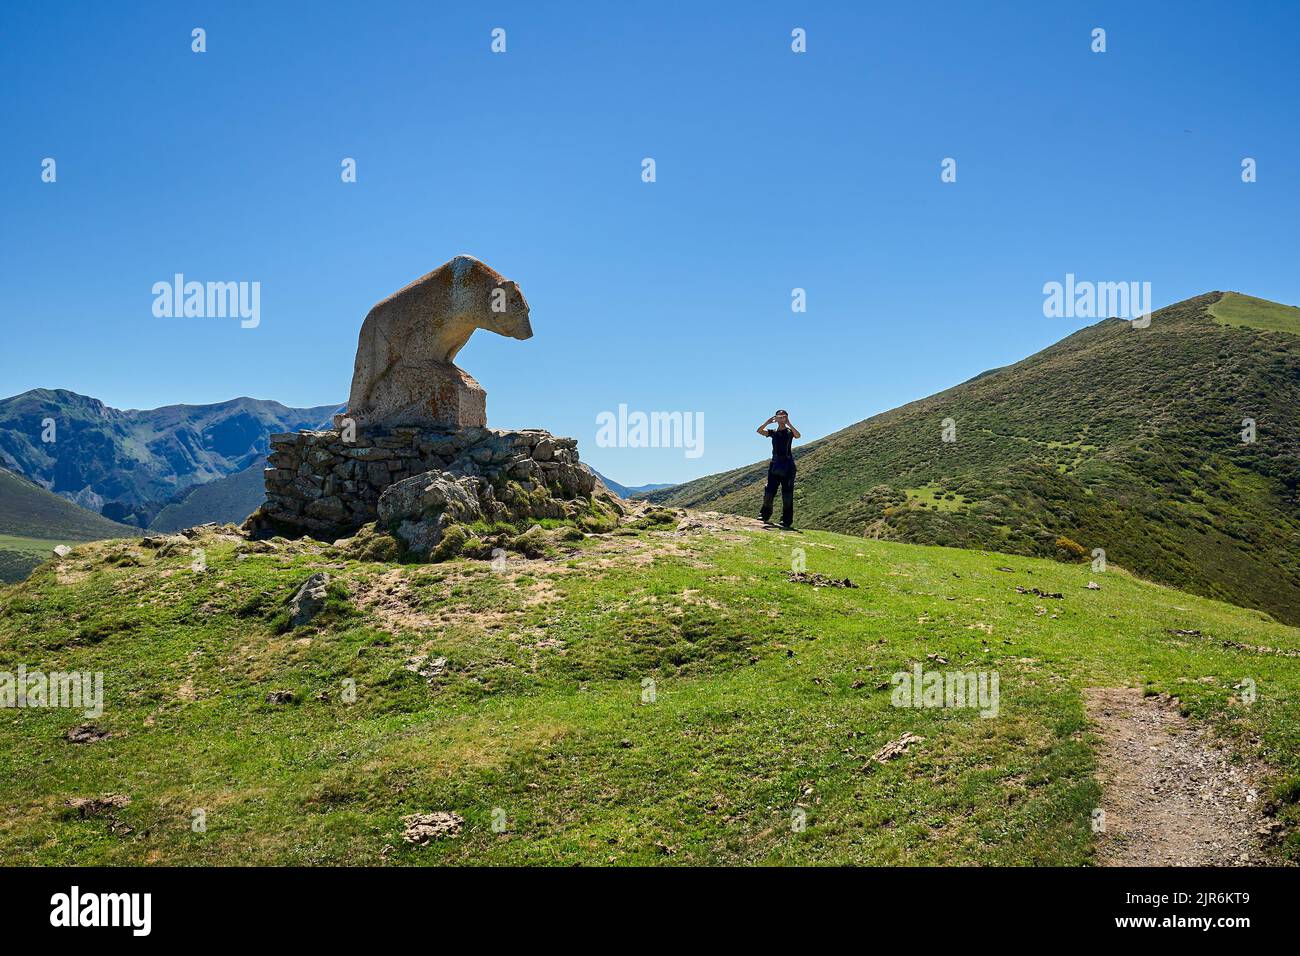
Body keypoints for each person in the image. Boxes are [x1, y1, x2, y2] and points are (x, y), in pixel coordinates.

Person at [756, 409, 800, 528]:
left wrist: (789, 424)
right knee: (769, 491)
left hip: (788, 465)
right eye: (779, 417)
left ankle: (786, 521)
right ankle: (764, 515)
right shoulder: (773, 432)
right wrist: (767, 422)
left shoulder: (789, 432)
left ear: (786, 418)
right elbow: (759, 431)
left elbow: (798, 436)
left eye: (783, 417)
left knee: (787, 494)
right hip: (775, 464)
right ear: (776, 418)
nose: (781, 419)